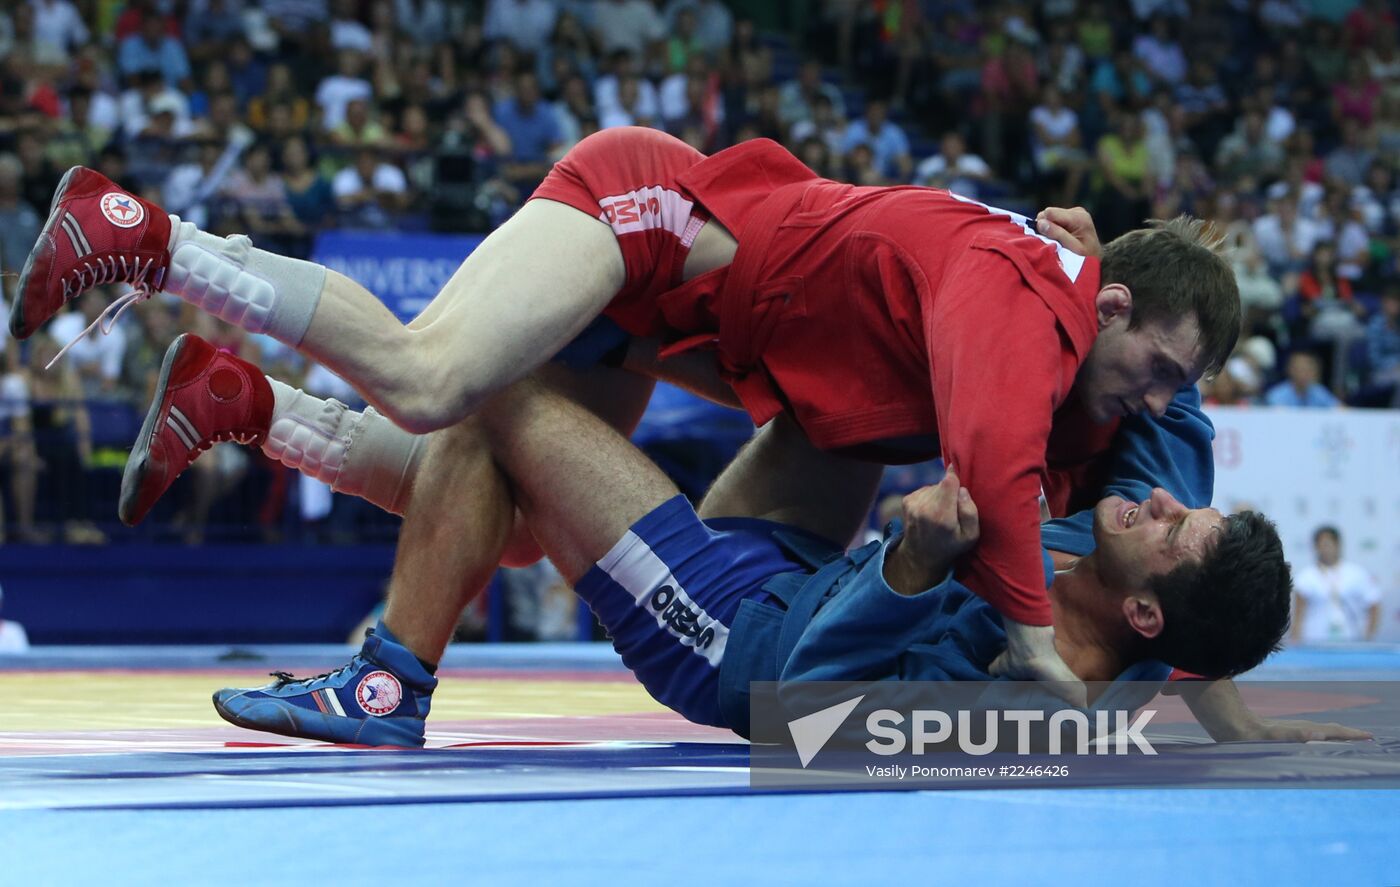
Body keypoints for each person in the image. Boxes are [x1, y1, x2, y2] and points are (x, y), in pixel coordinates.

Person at [11, 129, 1241, 697]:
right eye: (1152, 371)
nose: (1148, 409)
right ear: (1110, 301)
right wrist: (1033, 642)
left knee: (508, 520)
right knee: (444, 380)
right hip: (656, 216)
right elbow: (986, 455)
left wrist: (1212, 695)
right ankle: (150, 237)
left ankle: (248, 405)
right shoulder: (1031, 298)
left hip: (696, 317)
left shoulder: (1096, 374)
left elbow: (1119, 456)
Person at [197, 343, 1357, 746]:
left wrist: (908, 572)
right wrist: (1102, 277)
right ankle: (249, 412)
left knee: (502, 399)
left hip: (735, 640)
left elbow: (797, 711)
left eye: (1170, 527)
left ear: (1144, 618)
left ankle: (390, 675)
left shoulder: (1026, 707)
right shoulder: (1140, 559)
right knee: (875, 374)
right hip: (802, 562)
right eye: (1175, 503)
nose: (1155, 503)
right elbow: (1174, 388)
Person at [1293, 526, 1383, 643]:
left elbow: (1374, 604)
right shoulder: (1306, 577)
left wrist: (1368, 637)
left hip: (1352, 641)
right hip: (1314, 642)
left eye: (1329, 544)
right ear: (1315, 547)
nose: (1326, 549)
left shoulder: (1356, 574)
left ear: (1338, 545)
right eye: (1322, 544)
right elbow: (1299, 614)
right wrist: (1296, 639)